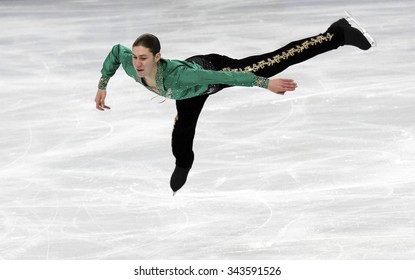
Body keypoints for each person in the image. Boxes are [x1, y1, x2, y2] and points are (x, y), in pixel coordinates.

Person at [95, 13, 374, 194]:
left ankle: (337, 34)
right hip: (188, 94)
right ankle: (184, 164)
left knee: (273, 63)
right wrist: (102, 85)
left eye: (143, 58)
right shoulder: (132, 65)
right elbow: (115, 52)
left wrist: (265, 84)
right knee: (181, 135)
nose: (137, 63)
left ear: (157, 57)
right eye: (135, 57)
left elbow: (223, 75)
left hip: (212, 71)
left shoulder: (183, 75)